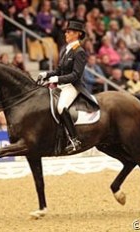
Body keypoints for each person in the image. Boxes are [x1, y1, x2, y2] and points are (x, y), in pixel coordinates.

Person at [38, 20, 98, 154]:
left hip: (72, 86)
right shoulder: (65, 50)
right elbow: (59, 69)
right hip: (62, 85)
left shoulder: (80, 52)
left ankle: (75, 139)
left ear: (77, 34)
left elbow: (76, 75)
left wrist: (57, 79)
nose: (66, 33)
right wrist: (47, 74)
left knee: (61, 107)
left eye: (69, 32)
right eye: (66, 31)